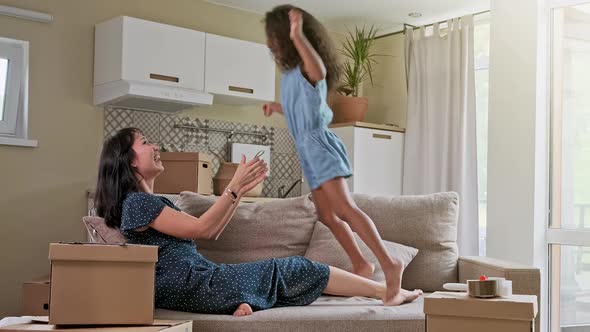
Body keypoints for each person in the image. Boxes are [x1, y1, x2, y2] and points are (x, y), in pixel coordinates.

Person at [94, 128, 421, 317]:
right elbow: (201, 229)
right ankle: (386, 291)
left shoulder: (149, 202)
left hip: (196, 282)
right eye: (144, 142)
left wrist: (238, 192)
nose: (155, 146)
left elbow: (214, 229)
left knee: (286, 275)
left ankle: (243, 301)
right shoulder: (137, 202)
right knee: (296, 267)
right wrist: (234, 186)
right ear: (128, 160)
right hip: (193, 286)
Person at [262, 5, 406, 304]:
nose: (270, 44)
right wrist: (277, 109)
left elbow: (319, 71)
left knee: (345, 209)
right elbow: (300, 107)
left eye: (273, 38)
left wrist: (297, 34)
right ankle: (361, 263)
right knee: (326, 215)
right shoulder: (289, 75)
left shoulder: (306, 66)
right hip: (307, 151)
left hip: (320, 147)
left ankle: (389, 262)